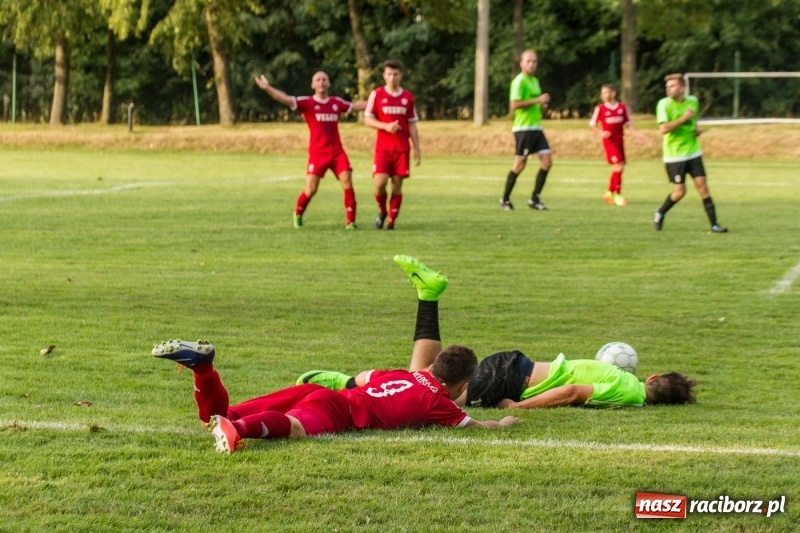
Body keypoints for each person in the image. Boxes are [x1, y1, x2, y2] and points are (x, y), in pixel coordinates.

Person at [152, 261, 519, 454]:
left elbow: (363, 376)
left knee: (217, 417)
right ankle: (240, 431)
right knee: (293, 429)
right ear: (462, 384)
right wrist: (502, 424)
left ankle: (204, 370)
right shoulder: (438, 403)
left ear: (431, 366)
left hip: (326, 394)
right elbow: (478, 427)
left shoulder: (402, 375)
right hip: (337, 411)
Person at [300, 258, 698, 410]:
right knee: (423, 391)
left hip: (515, 365)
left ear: (651, 375)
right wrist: (519, 407)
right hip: (510, 380)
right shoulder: (631, 395)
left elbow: (575, 383)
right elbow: (573, 392)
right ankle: (345, 384)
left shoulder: (622, 377)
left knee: (421, 378)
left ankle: (427, 297)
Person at [255, 72, 366, 229]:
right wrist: (267, 88)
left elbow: (357, 106)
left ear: (328, 83)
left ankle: (351, 222)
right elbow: (285, 98)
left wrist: (378, 97)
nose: (321, 82)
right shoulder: (307, 103)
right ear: (313, 85)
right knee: (311, 189)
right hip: (317, 154)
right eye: (318, 80)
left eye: (324, 79)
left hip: (337, 152)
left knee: (347, 181)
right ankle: (298, 213)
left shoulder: (336, 103)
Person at [652, 73, 727, 233]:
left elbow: (693, 121)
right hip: (674, 156)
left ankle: (714, 225)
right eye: (667, 86)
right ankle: (660, 212)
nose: (668, 89)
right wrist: (683, 118)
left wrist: (696, 130)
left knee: (702, 187)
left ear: (682, 88)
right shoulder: (664, 104)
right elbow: (664, 128)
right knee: (680, 192)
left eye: (672, 86)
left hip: (693, 152)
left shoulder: (693, 101)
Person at [363, 59, 420, 230]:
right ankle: (382, 211)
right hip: (383, 149)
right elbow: (367, 119)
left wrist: (416, 147)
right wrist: (385, 126)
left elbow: (412, 123)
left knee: (396, 185)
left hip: (401, 148)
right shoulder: (377, 94)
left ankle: (391, 221)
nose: (392, 77)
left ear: (400, 75)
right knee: (379, 184)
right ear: (384, 75)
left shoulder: (408, 97)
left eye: (395, 74)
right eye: (389, 74)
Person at [499, 49, 552, 212]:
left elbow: (536, 103)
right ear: (521, 63)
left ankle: (534, 199)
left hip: (536, 127)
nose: (532, 64)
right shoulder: (519, 81)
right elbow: (514, 104)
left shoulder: (535, 81)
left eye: (534, 61)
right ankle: (505, 199)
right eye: (528, 61)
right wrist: (537, 100)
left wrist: (543, 105)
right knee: (519, 164)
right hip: (523, 129)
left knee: (547, 161)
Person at [589, 84, 645, 207]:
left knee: (620, 166)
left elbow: (629, 124)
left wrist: (637, 136)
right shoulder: (600, 108)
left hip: (620, 141)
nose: (603, 95)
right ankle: (617, 194)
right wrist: (601, 132)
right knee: (618, 165)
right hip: (609, 142)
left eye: (606, 92)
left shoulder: (622, 107)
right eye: (602, 93)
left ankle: (609, 193)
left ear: (613, 93)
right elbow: (592, 124)